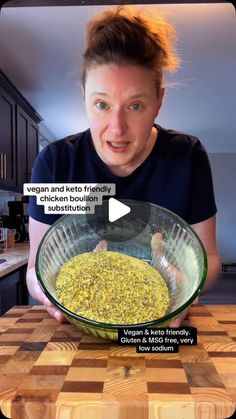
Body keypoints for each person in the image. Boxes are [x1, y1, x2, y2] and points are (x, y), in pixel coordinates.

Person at [27, 6, 220, 323]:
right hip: (78, 333)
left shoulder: (187, 158)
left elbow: (210, 260)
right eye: (102, 104)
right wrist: (46, 293)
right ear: (85, 97)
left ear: (159, 101)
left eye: (136, 105)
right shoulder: (58, 163)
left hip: (161, 326)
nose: (116, 128)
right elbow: (36, 269)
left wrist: (185, 287)